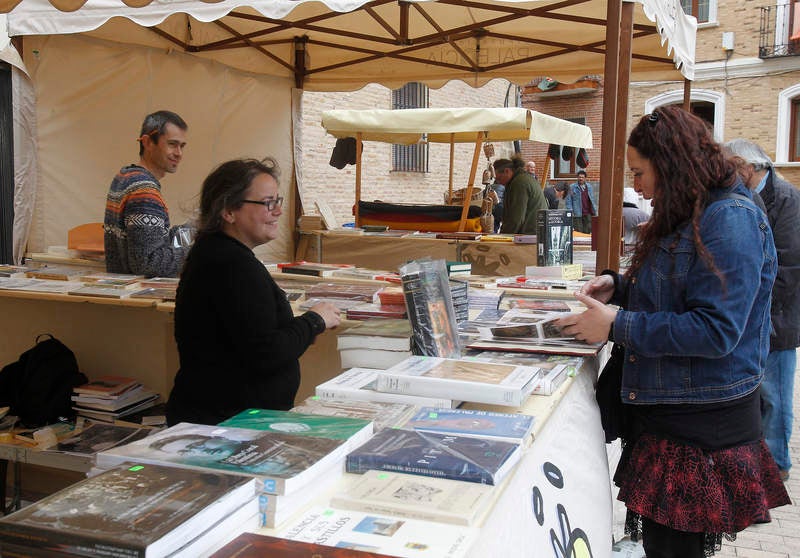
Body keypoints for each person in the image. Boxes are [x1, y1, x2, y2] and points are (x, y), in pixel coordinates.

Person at [556, 106, 789, 557]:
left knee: (675, 550)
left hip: (701, 419)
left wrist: (617, 324)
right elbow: (679, 290)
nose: (637, 185)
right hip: (676, 411)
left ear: (672, 165)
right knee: (668, 546)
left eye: (640, 173)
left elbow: (717, 329)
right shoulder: (692, 209)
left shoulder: (730, 218)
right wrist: (619, 286)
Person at [165, 158, 341, 426]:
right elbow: (266, 353)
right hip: (226, 425)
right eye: (268, 202)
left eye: (278, 201)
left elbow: (247, 336)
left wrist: (298, 330)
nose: (278, 211)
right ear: (228, 211)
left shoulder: (218, 254)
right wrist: (314, 321)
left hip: (226, 417)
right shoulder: (232, 265)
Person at [723, 138, 800, 482]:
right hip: (759, 316)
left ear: (745, 166)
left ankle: (776, 467)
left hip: (778, 319)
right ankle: (761, 467)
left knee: (775, 396)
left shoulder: (786, 199)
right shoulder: (749, 196)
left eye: (728, 167)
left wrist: (752, 308)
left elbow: (787, 268)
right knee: (760, 395)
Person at [104, 110, 190, 277]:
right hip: (136, 298)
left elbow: (155, 242)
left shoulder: (126, 177)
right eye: (172, 144)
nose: (179, 153)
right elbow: (148, 263)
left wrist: (195, 228)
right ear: (147, 142)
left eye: (182, 146)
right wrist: (198, 252)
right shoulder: (144, 191)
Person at [493, 156, 547, 234]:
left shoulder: (519, 183)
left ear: (507, 171)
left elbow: (516, 218)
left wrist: (503, 236)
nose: (499, 182)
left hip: (530, 234)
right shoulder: (522, 179)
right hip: (535, 232)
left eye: (499, 178)